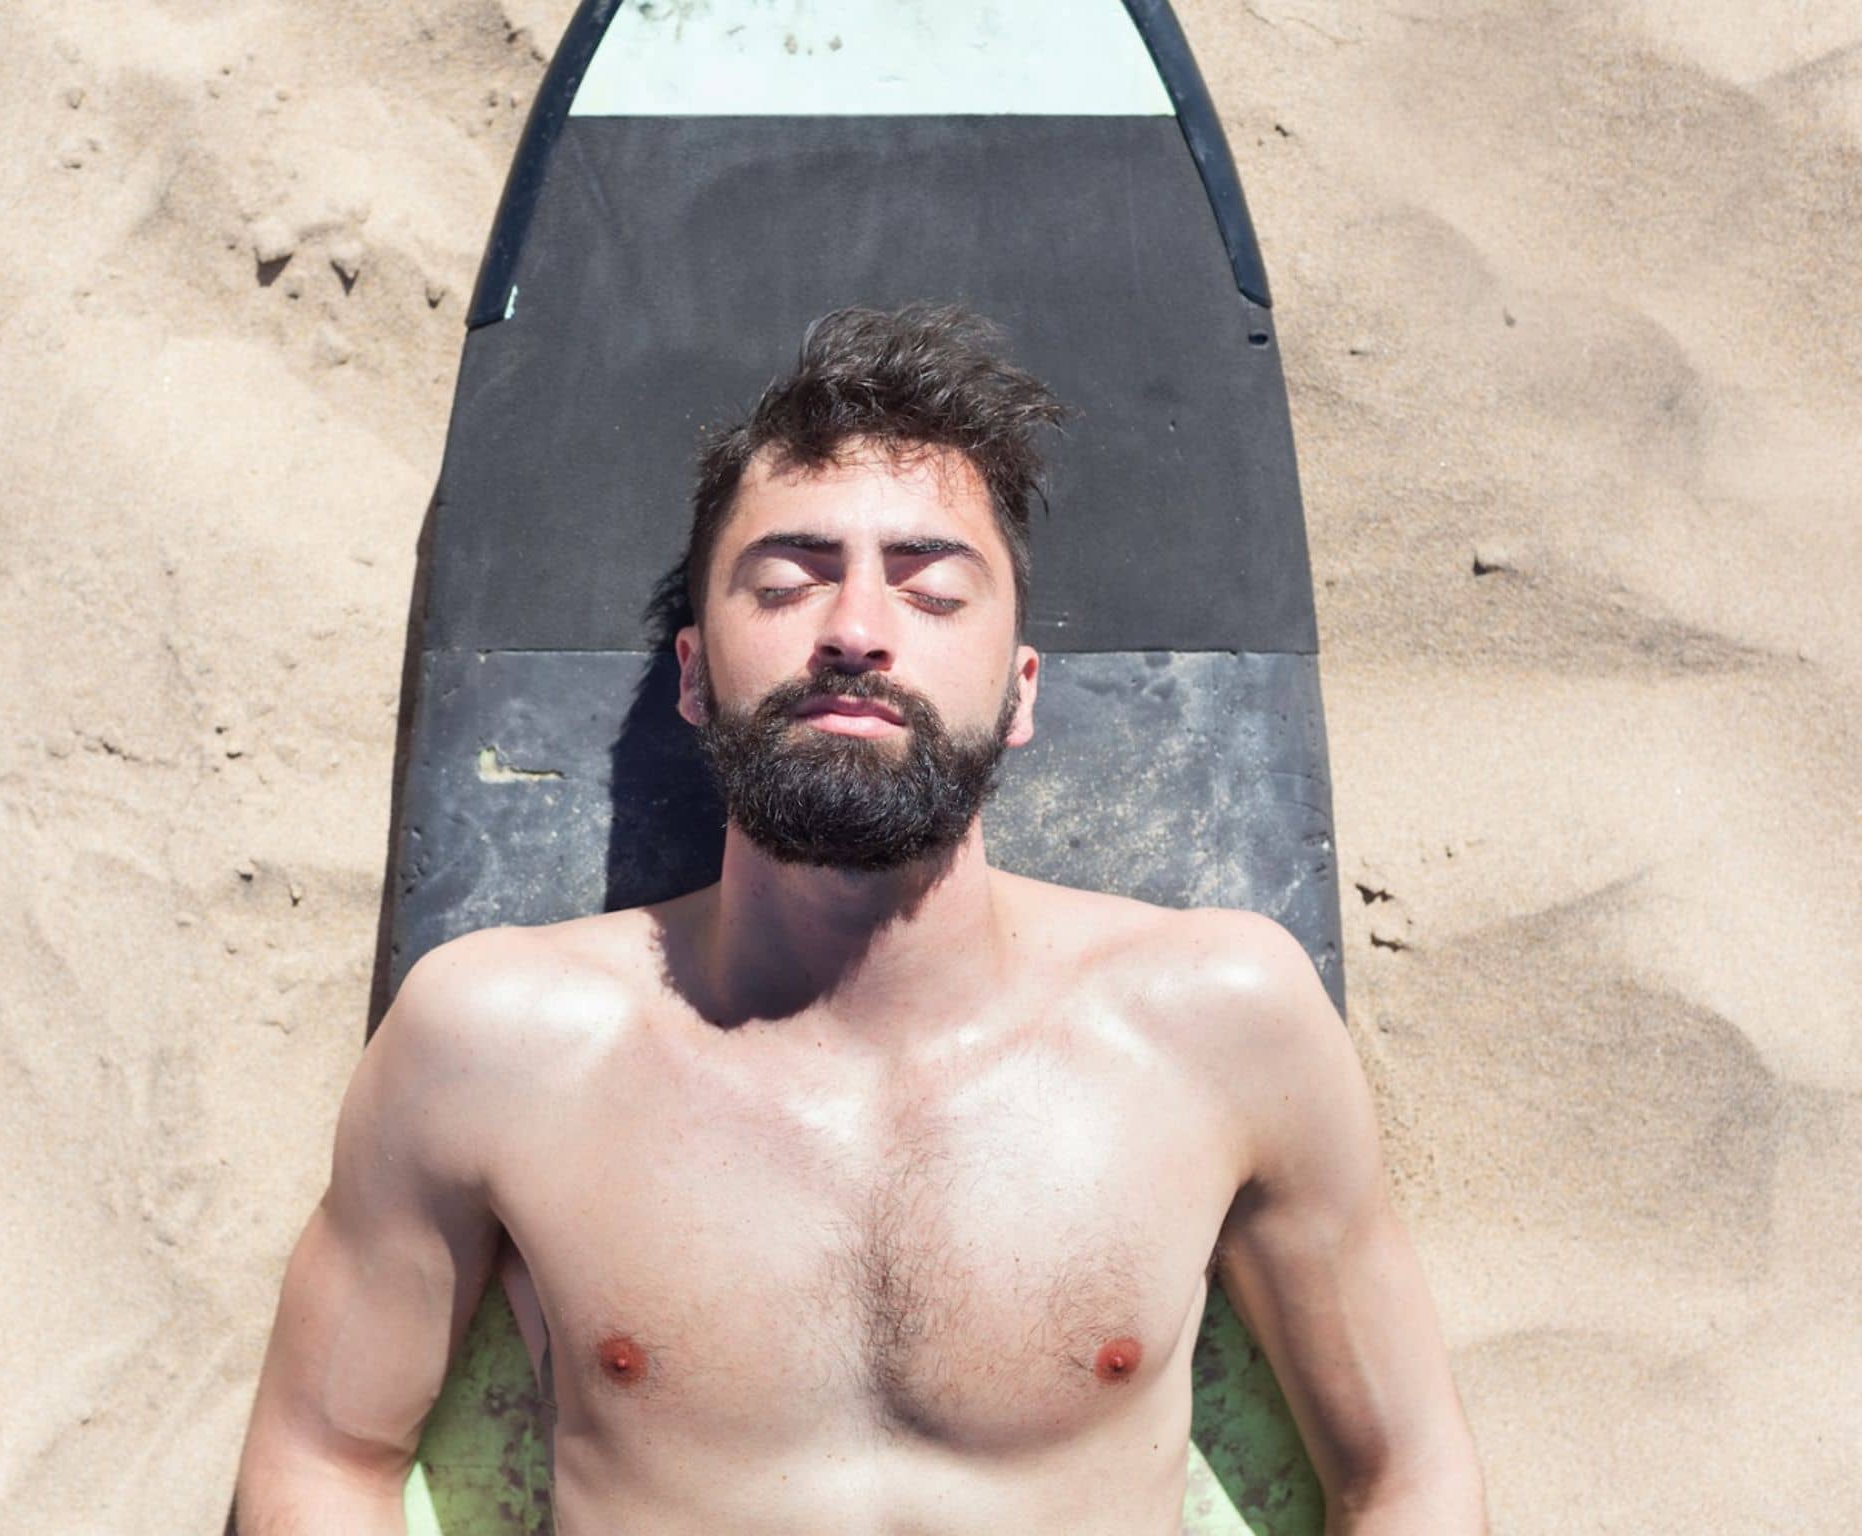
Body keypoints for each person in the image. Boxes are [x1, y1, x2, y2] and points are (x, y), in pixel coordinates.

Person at [233, 303, 1488, 1534]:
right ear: (690, 674)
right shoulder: (496, 1040)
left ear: (1018, 695)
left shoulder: (1217, 1025)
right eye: (786, 582)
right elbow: (323, 1457)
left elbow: (1405, 1476)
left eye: (934, 595)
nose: (854, 631)